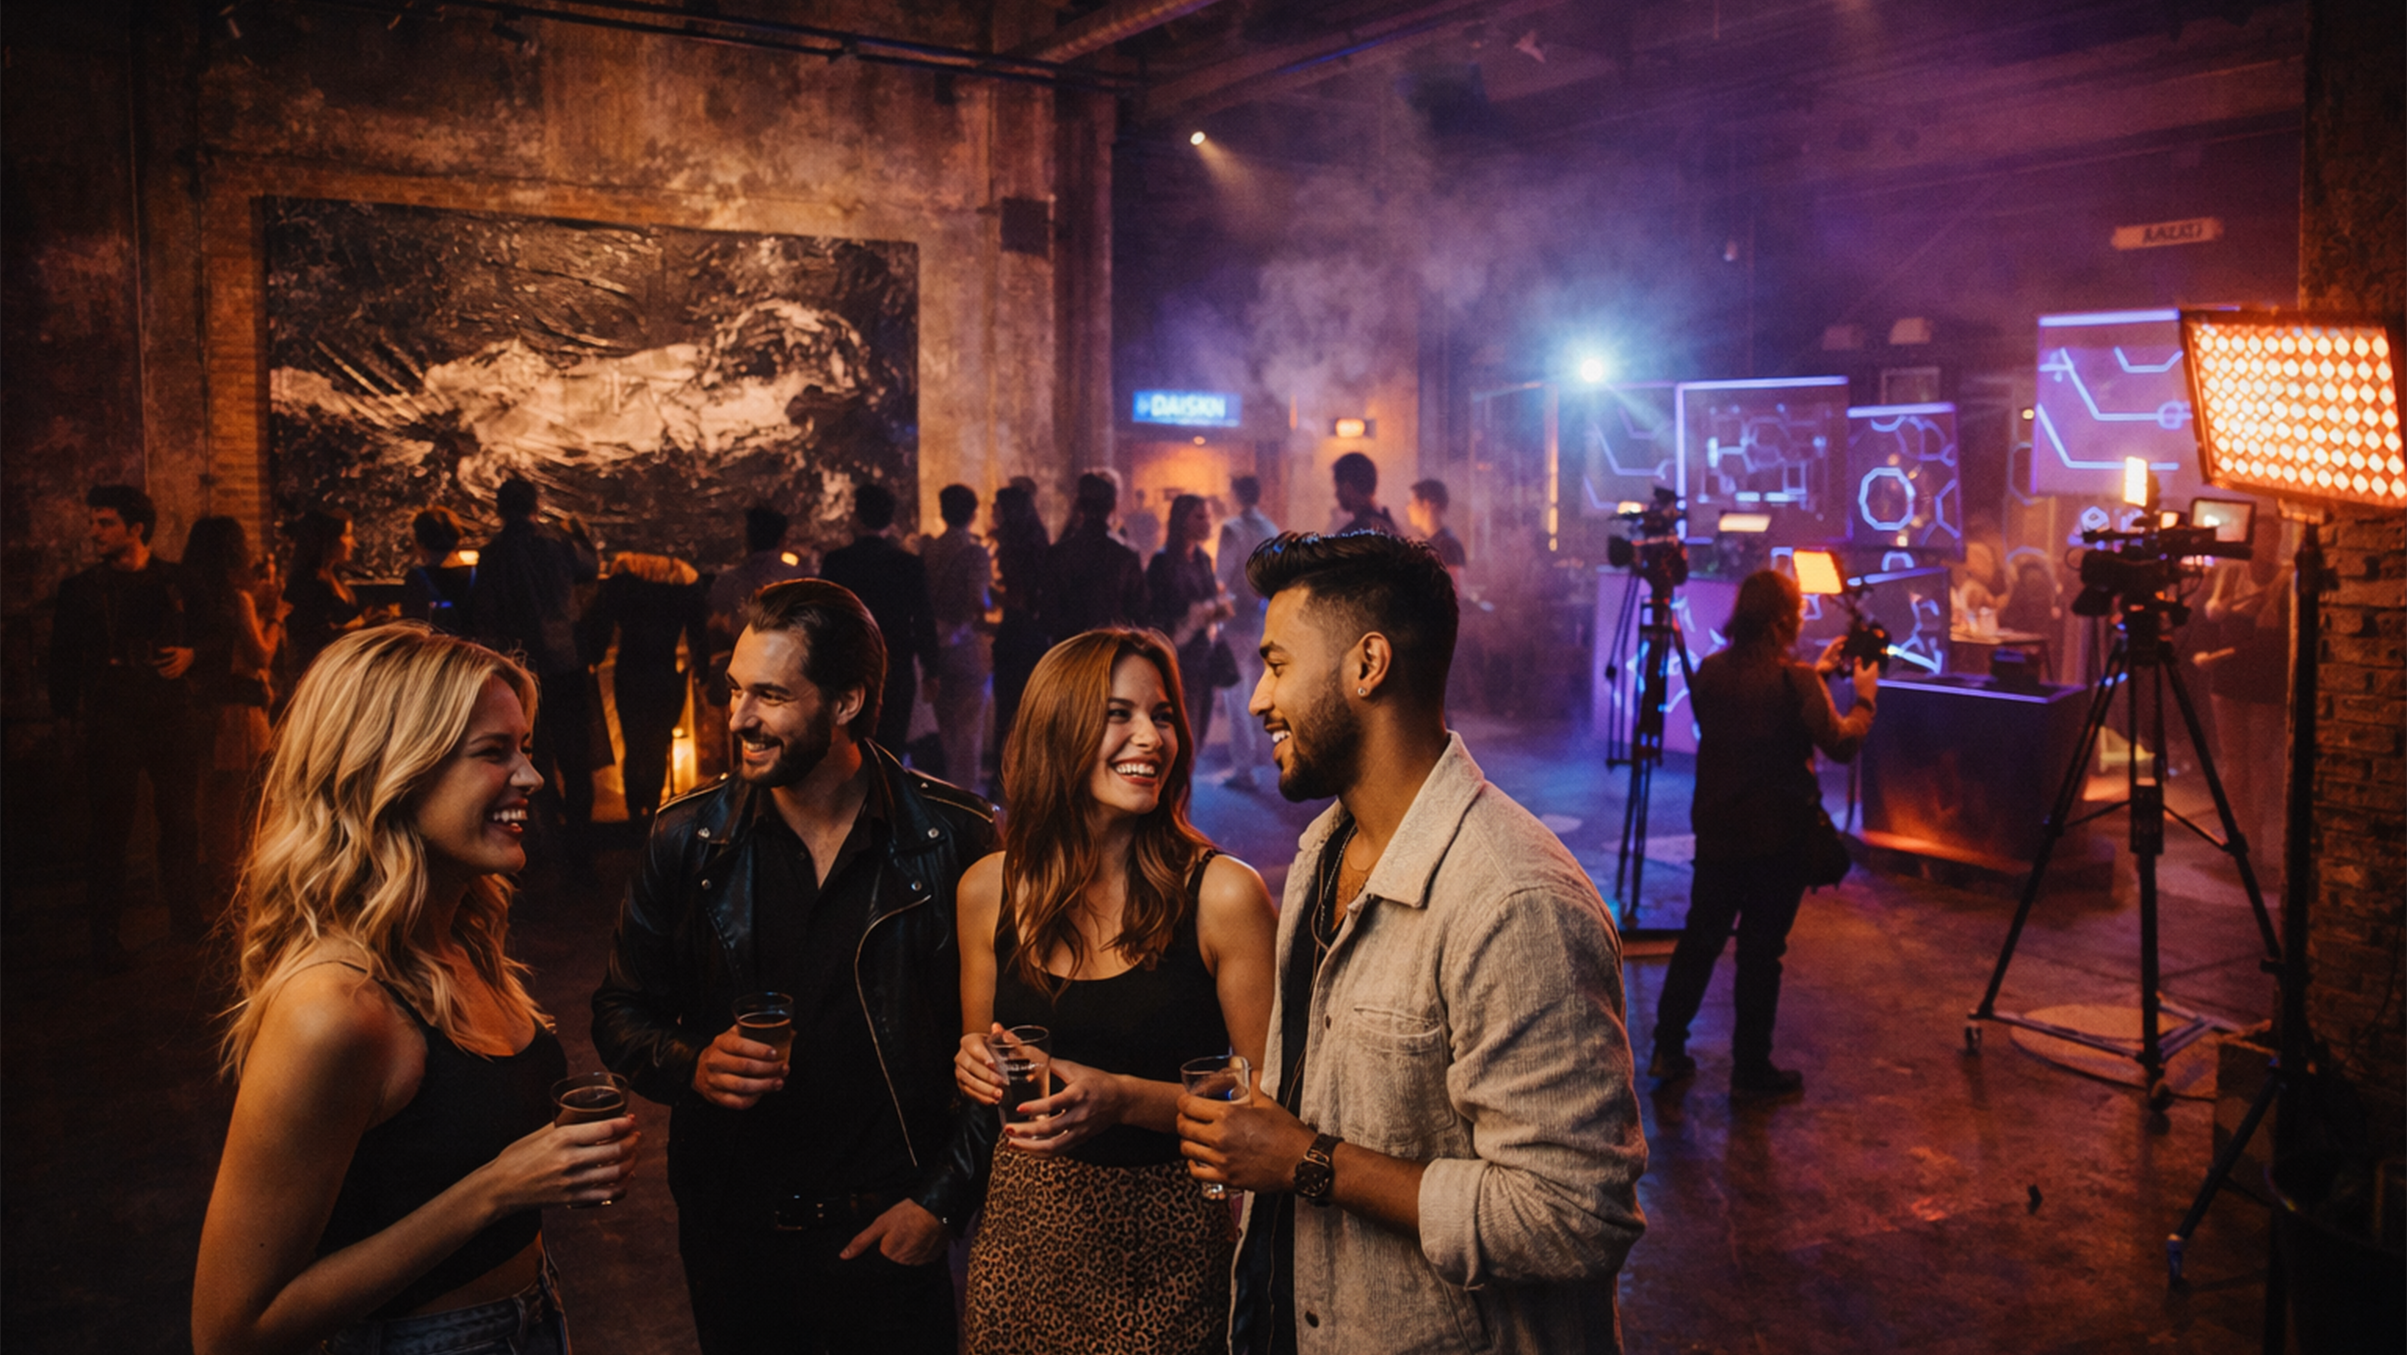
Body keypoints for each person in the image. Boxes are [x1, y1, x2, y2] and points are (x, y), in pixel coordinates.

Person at [1176, 531, 1647, 1354]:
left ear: (1367, 664)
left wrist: (1307, 1159)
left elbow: (1574, 1217)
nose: (1256, 699)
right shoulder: (1325, 849)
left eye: (1278, 664)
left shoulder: (1514, 900)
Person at [192, 624, 639, 1355]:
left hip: (531, 1316)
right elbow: (231, 1329)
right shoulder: (332, 1010)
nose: (530, 776)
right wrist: (498, 1186)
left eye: (523, 748)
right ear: (389, 771)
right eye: (494, 753)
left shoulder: (457, 935)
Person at [591, 580, 999, 1355]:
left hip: (890, 1226)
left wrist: (939, 1205)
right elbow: (618, 1008)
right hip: (733, 1232)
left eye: (770, 695)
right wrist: (692, 1062)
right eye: (737, 689)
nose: (737, 715)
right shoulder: (689, 838)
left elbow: (1000, 1048)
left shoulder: (955, 839)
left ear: (846, 701)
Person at [950, 628, 1277, 1353]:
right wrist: (971, 1061)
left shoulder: (1222, 894)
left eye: (1161, 715)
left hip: (1167, 1243)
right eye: (1117, 713)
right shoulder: (986, 890)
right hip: (1021, 1238)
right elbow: (983, 1062)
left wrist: (1126, 1098)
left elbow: (1269, 1101)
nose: (1150, 737)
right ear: (1056, 728)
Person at [1649, 568, 1878, 1099]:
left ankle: (1666, 1048)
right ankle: (1751, 1071)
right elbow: (1840, 744)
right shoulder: (1793, 681)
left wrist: (1813, 678)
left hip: (1719, 832)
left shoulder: (1710, 671)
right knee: (1760, 953)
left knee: (1700, 940)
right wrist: (1863, 699)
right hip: (1779, 840)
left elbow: (1745, 724)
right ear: (1783, 619)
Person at [47, 484, 204, 967]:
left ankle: (186, 919)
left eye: (105, 522)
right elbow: (61, 660)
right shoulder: (80, 591)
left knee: (179, 820)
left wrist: (192, 654)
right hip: (111, 719)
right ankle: (105, 936)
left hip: (169, 718)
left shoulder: (178, 582)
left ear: (136, 528)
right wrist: (66, 718)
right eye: (93, 521)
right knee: (109, 830)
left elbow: (213, 638)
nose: (94, 531)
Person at [470, 476, 601, 857]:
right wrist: (581, 533)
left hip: (519, 669)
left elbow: (485, 613)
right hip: (566, 662)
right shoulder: (558, 543)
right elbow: (590, 568)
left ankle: (544, 848)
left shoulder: (492, 554)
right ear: (536, 506)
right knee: (576, 760)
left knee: (530, 758)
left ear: (499, 509)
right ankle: (581, 854)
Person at [180, 515, 289, 914]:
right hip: (239, 711)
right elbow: (259, 653)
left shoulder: (198, 596)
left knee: (212, 797)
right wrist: (276, 617)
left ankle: (219, 876)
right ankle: (234, 882)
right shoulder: (236, 598)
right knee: (240, 799)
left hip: (207, 703)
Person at [580, 551, 711, 825]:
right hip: (664, 672)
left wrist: (592, 657)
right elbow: (698, 630)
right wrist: (701, 669)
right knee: (658, 742)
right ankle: (652, 809)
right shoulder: (681, 586)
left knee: (633, 742)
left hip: (629, 671)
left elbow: (601, 622)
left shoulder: (624, 584)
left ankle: (634, 810)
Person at [819, 482, 939, 756]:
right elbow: (922, 617)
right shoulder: (907, 564)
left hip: (849, 661)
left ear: (857, 516)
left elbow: (824, 616)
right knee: (890, 746)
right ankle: (888, 797)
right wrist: (931, 668)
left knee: (851, 745)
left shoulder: (837, 561)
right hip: (895, 664)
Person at [2200, 512, 2289, 865]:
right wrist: (2222, 608)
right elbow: (2212, 613)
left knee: (2259, 760)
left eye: (2275, 539)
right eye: (2264, 538)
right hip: (2228, 674)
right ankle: (2242, 831)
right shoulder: (2232, 570)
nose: (2270, 546)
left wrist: (2220, 651)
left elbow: (2272, 641)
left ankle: (2255, 835)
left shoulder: (2284, 579)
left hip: (2260, 676)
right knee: (2235, 761)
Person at [1147, 494, 1234, 749]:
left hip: (1203, 658)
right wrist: (1187, 618)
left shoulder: (1202, 558)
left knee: (1198, 736)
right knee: (1183, 739)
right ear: (1182, 520)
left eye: (1208, 516)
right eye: (1199, 517)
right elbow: (1151, 612)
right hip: (1177, 657)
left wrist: (1217, 608)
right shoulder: (1162, 562)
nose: (1207, 522)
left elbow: (1211, 598)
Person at [923, 484, 994, 788]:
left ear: (942, 511)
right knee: (968, 730)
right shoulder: (975, 552)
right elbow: (978, 601)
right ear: (974, 514)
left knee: (942, 727)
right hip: (964, 645)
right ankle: (964, 798)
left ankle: (939, 794)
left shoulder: (928, 550)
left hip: (934, 646)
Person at [1215, 476, 1279, 793]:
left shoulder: (1231, 529)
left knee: (1236, 697)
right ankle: (1267, 755)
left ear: (1236, 495)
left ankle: (1244, 769)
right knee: (1263, 692)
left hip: (1238, 622)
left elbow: (1221, 577)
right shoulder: (1271, 529)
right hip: (1266, 621)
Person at [1038, 472, 1147, 645]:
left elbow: (1048, 614)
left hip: (1069, 651)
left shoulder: (1059, 553)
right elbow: (1140, 614)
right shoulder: (1125, 555)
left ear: (1079, 506)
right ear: (1113, 505)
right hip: (1112, 652)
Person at [988, 483, 1053, 771]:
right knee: (1027, 707)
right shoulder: (1038, 541)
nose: (992, 511)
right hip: (1034, 632)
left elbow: (1018, 596)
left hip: (1016, 631)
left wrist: (995, 594)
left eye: (997, 506)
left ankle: (1008, 773)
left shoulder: (1012, 546)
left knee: (1009, 707)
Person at [708, 501, 813, 648]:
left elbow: (715, 622)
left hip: (743, 662)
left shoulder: (728, 580)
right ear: (782, 539)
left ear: (747, 539)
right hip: (787, 662)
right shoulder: (800, 578)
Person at [283, 507, 366, 677]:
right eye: (347, 535)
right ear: (328, 539)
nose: (353, 542)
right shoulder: (307, 583)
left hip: (342, 670)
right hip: (320, 673)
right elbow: (307, 635)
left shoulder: (335, 576)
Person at [400, 506, 477, 635]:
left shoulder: (417, 578)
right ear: (457, 537)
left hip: (436, 650)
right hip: (472, 650)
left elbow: (412, 625)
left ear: (420, 541)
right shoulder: (476, 574)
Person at [1406, 479, 1467, 575]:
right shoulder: (1429, 542)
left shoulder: (1448, 546)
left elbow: (1453, 587)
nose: (1408, 508)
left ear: (1427, 504)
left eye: (1412, 502)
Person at [1328, 452, 1397, 536]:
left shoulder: (1350, 536)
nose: (1336, 495)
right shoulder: (1389, 527)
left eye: (1338, 488)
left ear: (1348, 488)